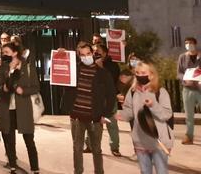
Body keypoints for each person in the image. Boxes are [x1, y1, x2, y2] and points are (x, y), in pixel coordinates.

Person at [61, 41, 116, 174]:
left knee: (96, 149)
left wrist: (106, 114)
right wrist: (61, 56)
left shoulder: (102, 73)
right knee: (77, 148)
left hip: (95, 117)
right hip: (77, 116)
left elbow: (111, 95)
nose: (86, 56)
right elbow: (59, 74)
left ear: (92, 53)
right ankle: (78, 172)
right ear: (79, 56)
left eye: (88, 53)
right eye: (83, 55)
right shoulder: (74, 70)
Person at [118, 61, 173, 174]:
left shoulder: (160, 92)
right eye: (137, 72)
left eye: (143, 72)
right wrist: (120, 115)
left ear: (151, 75)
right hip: (140, 140)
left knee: (161, 171)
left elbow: (166, 114)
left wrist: (153, 105)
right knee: (144, 171)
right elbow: (129, 111)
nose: (140, 75)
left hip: (159, 141)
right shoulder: (132, 92)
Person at [0, 42, 40, 174]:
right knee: (9, 140)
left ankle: (35, 168)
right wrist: (3, 87)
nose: (4, 55)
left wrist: (23, 91)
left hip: (23, 109)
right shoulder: (3, 67)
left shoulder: (28, 66)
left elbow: (36, 87)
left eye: (6, 52)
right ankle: (12, 166)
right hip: (6, 109)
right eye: (3, 53)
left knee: (29, 140)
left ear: (15, 53)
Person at [86, 43, 121, 157]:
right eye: (94, 51)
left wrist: (101, 67)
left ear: (105, 53)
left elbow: (110, 81)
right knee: (93, 123)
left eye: (98, 51)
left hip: (109, 98)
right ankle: (91, 146)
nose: (96, 53)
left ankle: (114, 147)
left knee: (111, 123)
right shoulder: (90, 64)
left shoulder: (113, 66)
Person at [178, 36, 200, 145]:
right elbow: (179, 73)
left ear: (195, 44)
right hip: (187, 89)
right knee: (189, 115)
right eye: (186, 43)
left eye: (191, 43)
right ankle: (189, 136)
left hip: (200, 88)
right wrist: (185, 80)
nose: (189, 45)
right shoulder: (182, 57)